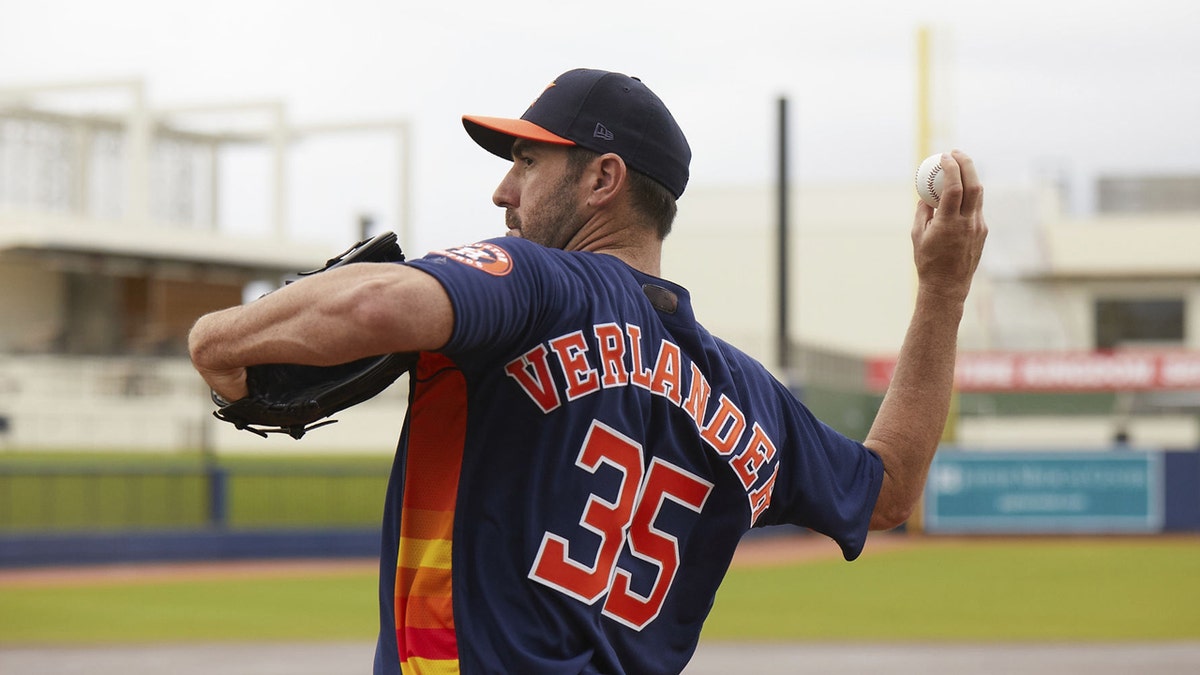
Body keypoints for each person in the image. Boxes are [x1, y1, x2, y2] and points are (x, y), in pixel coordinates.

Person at [189, 68, 987, 674]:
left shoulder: (540, 281)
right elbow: (889, 489)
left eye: (528, 162)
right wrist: (943, 290)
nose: (504, 189)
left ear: (602, 180)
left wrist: (215, 341)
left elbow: (373, 309)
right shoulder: (745, 394)